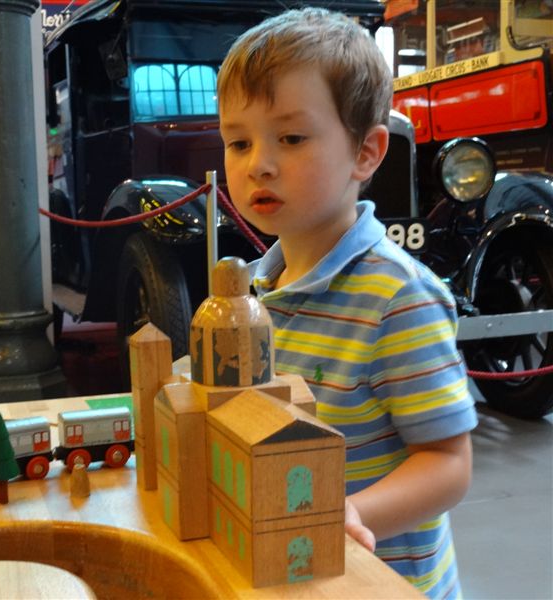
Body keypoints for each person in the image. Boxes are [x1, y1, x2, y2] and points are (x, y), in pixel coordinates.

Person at [217, 8, 476, 599]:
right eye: (238, 140)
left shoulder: (396, 298)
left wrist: (351, 515)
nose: (258, 161)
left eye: (291, 137)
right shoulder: (255, 288)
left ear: (366, 152)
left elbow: (448, 462)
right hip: (291, 572)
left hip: (379, 581)